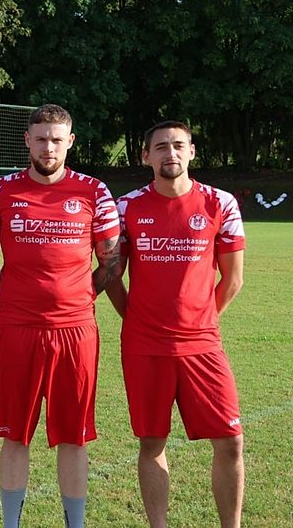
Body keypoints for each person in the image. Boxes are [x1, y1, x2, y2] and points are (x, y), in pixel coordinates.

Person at [0, 104, 121, 528]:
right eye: (40, 138)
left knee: (73, 438)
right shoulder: (0, 192)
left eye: (57, 139)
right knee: (14, 436)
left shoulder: (94, 192)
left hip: (76, 332)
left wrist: (76, 299)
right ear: (27, 140)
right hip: (17, 330)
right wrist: (19, 300)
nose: (48, 147)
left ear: (70, 142)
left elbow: (111, 263)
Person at [105, 120, 245, 528]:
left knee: (231, 441)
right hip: (144, 345)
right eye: (162, 147)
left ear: (192, 151)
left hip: (203, 344)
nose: (171, 153)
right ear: (145, 156)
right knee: (152, 442)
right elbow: (111, 275)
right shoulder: (126, 207)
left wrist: (201, 320)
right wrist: (136, 318)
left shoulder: (220, 203)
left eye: (179, 145)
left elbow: (233, 279)